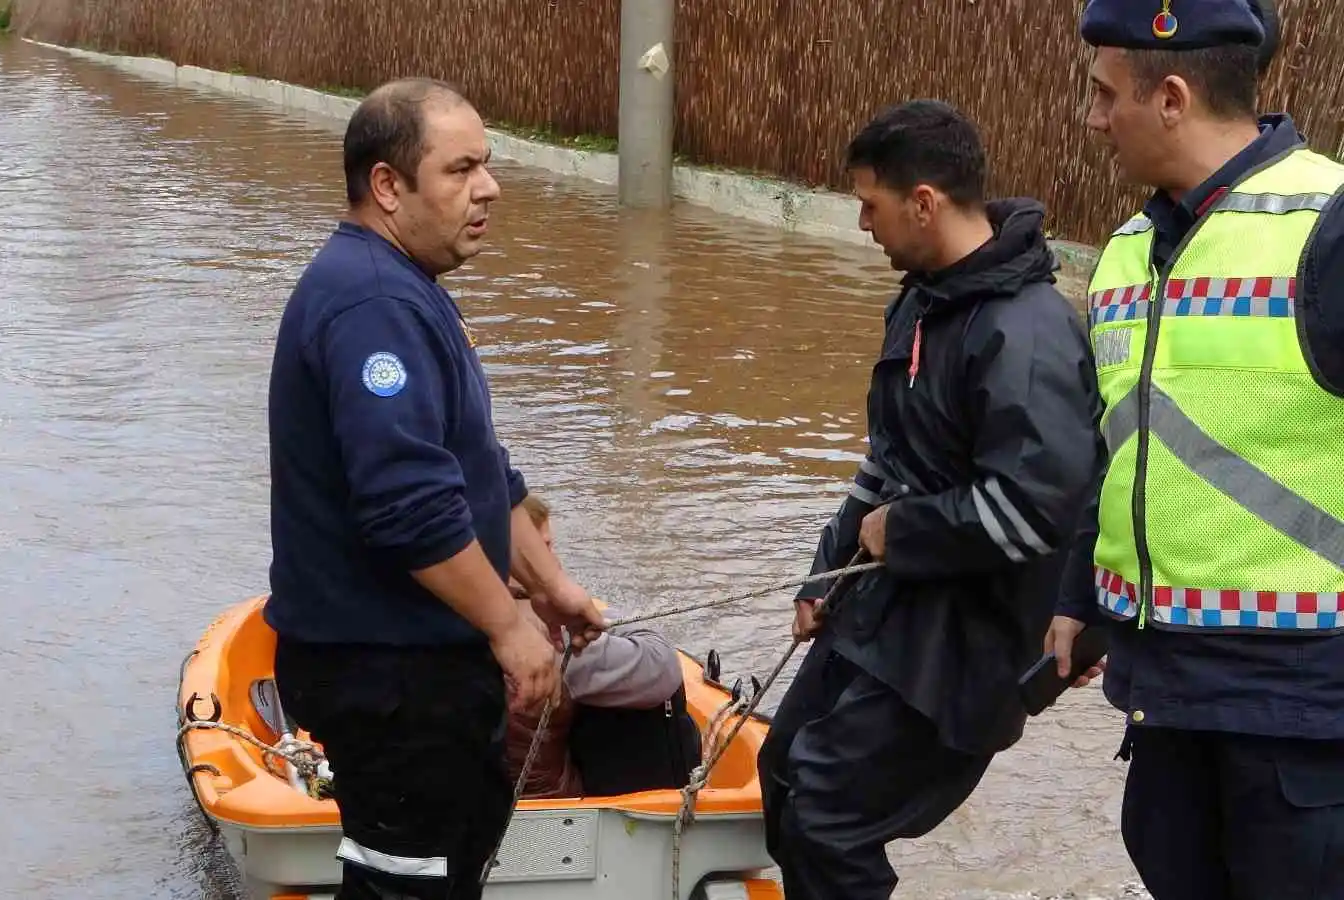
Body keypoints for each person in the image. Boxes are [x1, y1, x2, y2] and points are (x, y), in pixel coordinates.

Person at [263, 77, 605, 900]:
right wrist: (511, 629)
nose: (489, 189)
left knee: (446, 863)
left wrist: (551, 587)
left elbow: (478, 469)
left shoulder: (406, 290)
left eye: (485, 166)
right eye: (459, 170)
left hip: (420, 669)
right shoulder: (373, 302)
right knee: (405, 885)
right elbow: (408, 507)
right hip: (387, 671)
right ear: (388, 186)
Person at [757, 99, 1106, 900]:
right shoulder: (921, 302)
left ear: (923, 203)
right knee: (781, 773)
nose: (860, 225)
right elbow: (890, 461)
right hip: (891, 604)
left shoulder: (1024, 335)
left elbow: (1034, 512)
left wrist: (899, 531)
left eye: (868, 205)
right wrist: (827, 570)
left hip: (969, 643)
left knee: (828, 817)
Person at [1043, 2, 1344, 897]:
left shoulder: (1326, 228)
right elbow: (1125, 447)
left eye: (1104, 96)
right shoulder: (1130, 254)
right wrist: (1078, 596)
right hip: (1166, 699)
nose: (1093, 120)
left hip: (1303, 721)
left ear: (1171, 96)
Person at [503, 493, 688, 800]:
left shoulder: (438, 614)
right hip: (545, 814)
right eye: (545, 548)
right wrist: (592, 615)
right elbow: (661, 668)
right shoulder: (542, 635)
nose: (555, 561)